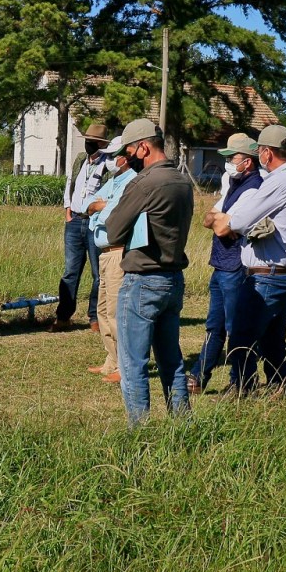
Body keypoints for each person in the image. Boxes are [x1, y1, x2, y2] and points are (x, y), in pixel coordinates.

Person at [102, 119, 194, 424]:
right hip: (172, 279)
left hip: (142, 279)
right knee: (172, 360)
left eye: (130, 150)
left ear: (143, 147)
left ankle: (139, 430)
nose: (129, 157)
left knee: (132, 363)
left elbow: (113, 230)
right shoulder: (182, 181)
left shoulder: (143, 183)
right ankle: (182, 422)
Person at [214, 124, 286, 399]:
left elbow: (239, 219)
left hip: (269, 274)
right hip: (280, 272)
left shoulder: (281, 182)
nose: (259, 158)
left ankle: (241, 391)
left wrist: (227, 220)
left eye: (260, 153)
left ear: (267, 153)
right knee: (271, 340)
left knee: (242, 337)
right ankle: (279, 389)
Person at [187, 133, 263, 393]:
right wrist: (222, 220)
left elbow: (222, 228)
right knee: (214, 325)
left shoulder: (254, 188)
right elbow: (210, 218)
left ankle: (242, 380)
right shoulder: (232, 184)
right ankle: (199, 375)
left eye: (234, 158)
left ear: (248, 162)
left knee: (236, 327)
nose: (229, 162)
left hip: (236, 266)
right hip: (221, 264)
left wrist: (223, 221)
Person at [84, 135, 135, 383]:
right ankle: (111, 360)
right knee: (102, 309)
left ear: (126, 157)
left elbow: (114, 215)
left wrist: (100, 209)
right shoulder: (114, 181)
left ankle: (124, 368)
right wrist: (98, 208)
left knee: (116, 312)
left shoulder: (132, 182)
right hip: (104, 252)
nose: (111, 161)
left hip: (118, 251)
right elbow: (87, 204)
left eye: (114, 156)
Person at [50, 122, 110, 332]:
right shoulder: (79, 161)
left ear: (102, 144)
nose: (88, 144)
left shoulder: (108, 164)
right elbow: (70, 184)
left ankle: (94, 317)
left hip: (95, 223)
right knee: (70, 272)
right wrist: (68, 210)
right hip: (74, 220)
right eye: (87, 140)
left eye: (92, 142)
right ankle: (64, 316)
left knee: (98, 274)